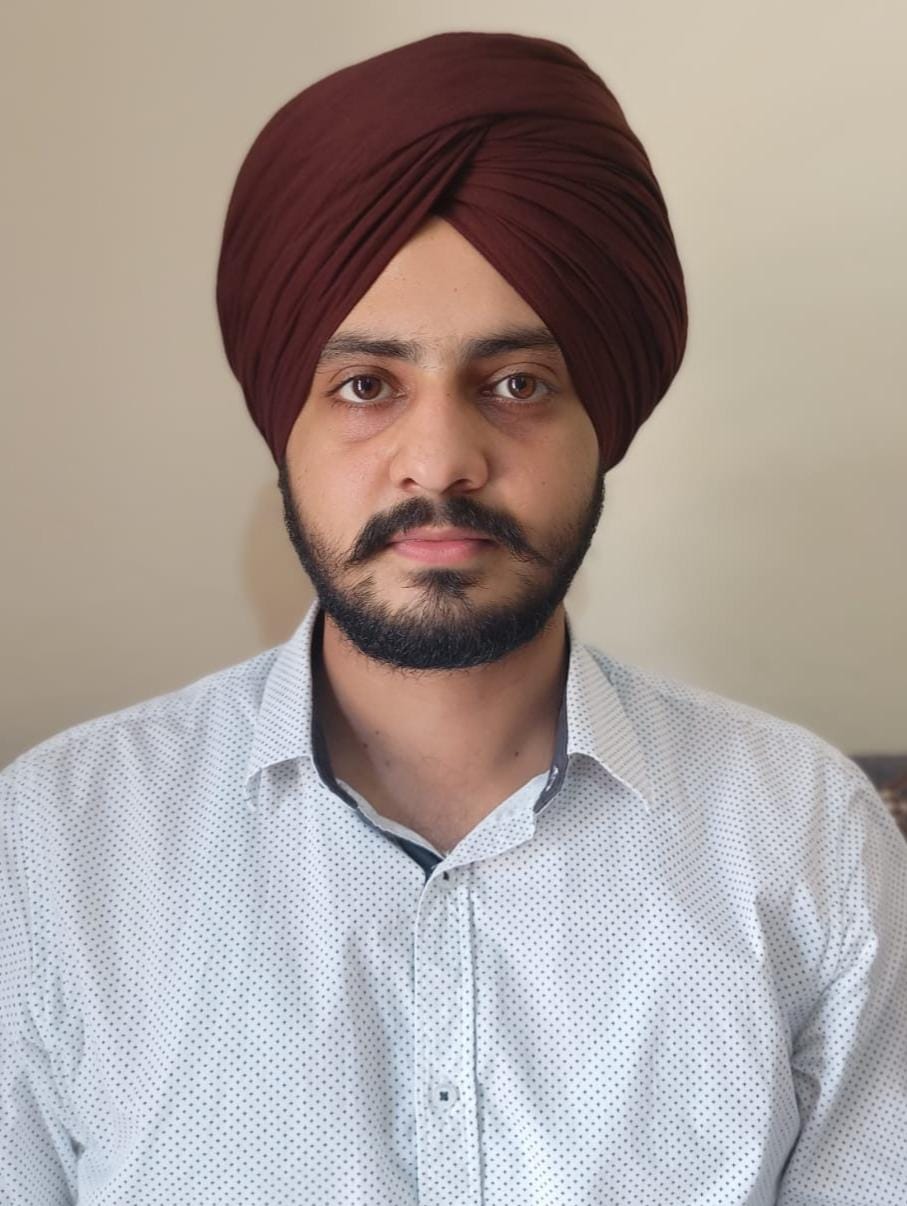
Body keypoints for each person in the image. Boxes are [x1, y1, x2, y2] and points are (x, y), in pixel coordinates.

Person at [2, 30, 905, 1206]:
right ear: (284, 429)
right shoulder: (55, 852)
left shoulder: (806, 842)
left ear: (602, 426)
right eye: (365, 387)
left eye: (516, 384)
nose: (439, 460)